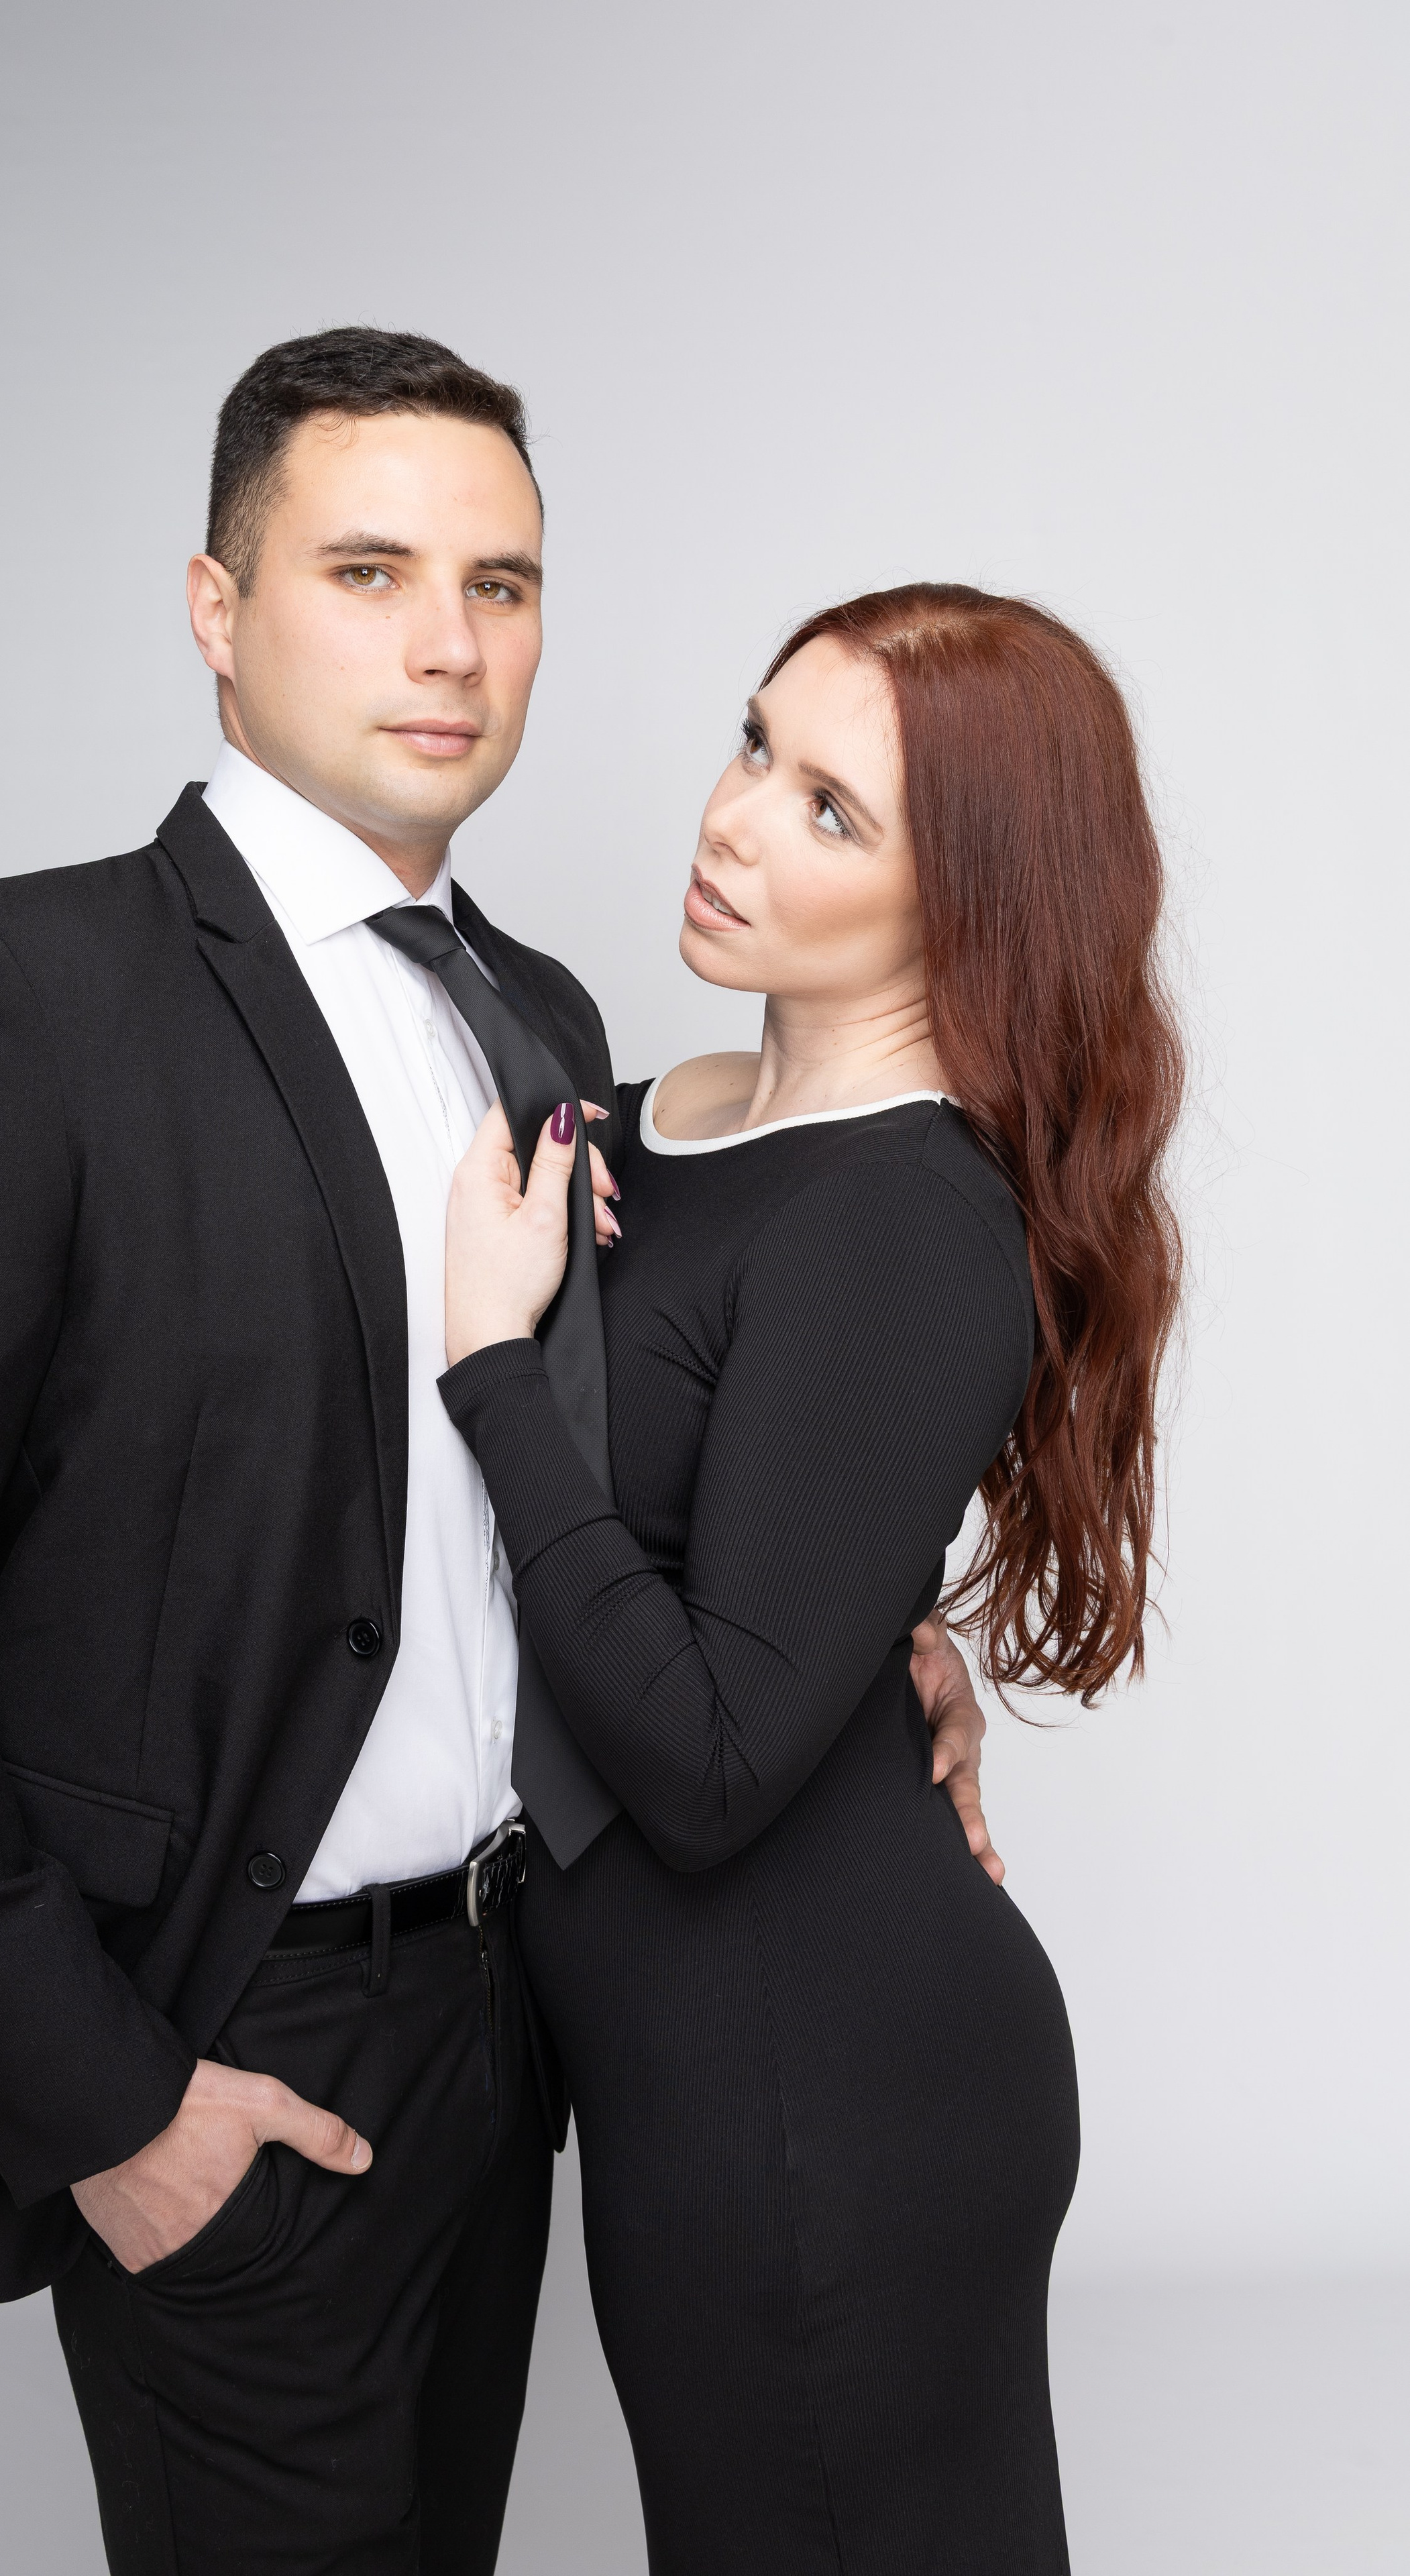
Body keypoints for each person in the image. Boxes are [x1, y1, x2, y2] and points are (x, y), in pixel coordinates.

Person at [0, 336, 996, 2575]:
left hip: (519, 2023)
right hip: (224, 2032)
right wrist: (103, 2104)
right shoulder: (26, 995)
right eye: (371, 569)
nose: (447, 644)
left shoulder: (552, 1020)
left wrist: (882, 1619)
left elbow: (636, 1457)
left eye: (503, 583)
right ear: (217, 607)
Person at [437, 585, 1184, 2574]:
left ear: (975, 907)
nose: (737, 819)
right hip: (701, 2068)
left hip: (823, 2103)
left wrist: (499, 1366)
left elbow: (701, 1766)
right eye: (758, 742)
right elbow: (747, 1533)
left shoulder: (904, 1216)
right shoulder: (649, 1121)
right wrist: (877, 1620)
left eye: (833, 811)